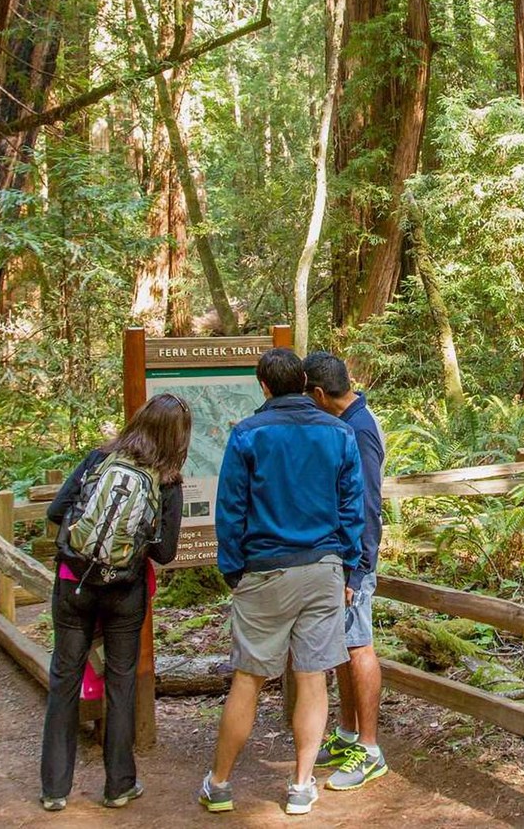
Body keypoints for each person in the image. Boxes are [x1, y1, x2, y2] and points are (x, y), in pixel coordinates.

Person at [200, 347, 365, 816]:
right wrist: (349, 566)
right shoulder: (339, 433)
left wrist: (233, 568)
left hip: (265, 569)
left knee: (248, 679)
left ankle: (220, 783)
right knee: (313, 678)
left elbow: (231, 508)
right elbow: (352, 507)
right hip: (323, 568)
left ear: (265, 386)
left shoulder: (248, 433)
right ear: (304, 383)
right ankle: (299, 785)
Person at [40, 393, 188, 812]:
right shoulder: (167, 480)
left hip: (74, 584)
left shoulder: (97, 461)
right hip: (125, 592)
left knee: (63, 678)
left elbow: (56, 512)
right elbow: (165, 553)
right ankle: (118, 784)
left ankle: (54, 788)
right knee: (120, 682)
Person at [303, 351, 389, 791]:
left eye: (307, 397)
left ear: (320, 393)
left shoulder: (358, 431)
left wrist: (358, 572)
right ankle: (349, 734)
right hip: (342, 558)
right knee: (343, 646)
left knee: (359, 648)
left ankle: (370, 751)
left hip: (355, 562)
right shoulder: (347, 423)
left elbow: (369, 505)